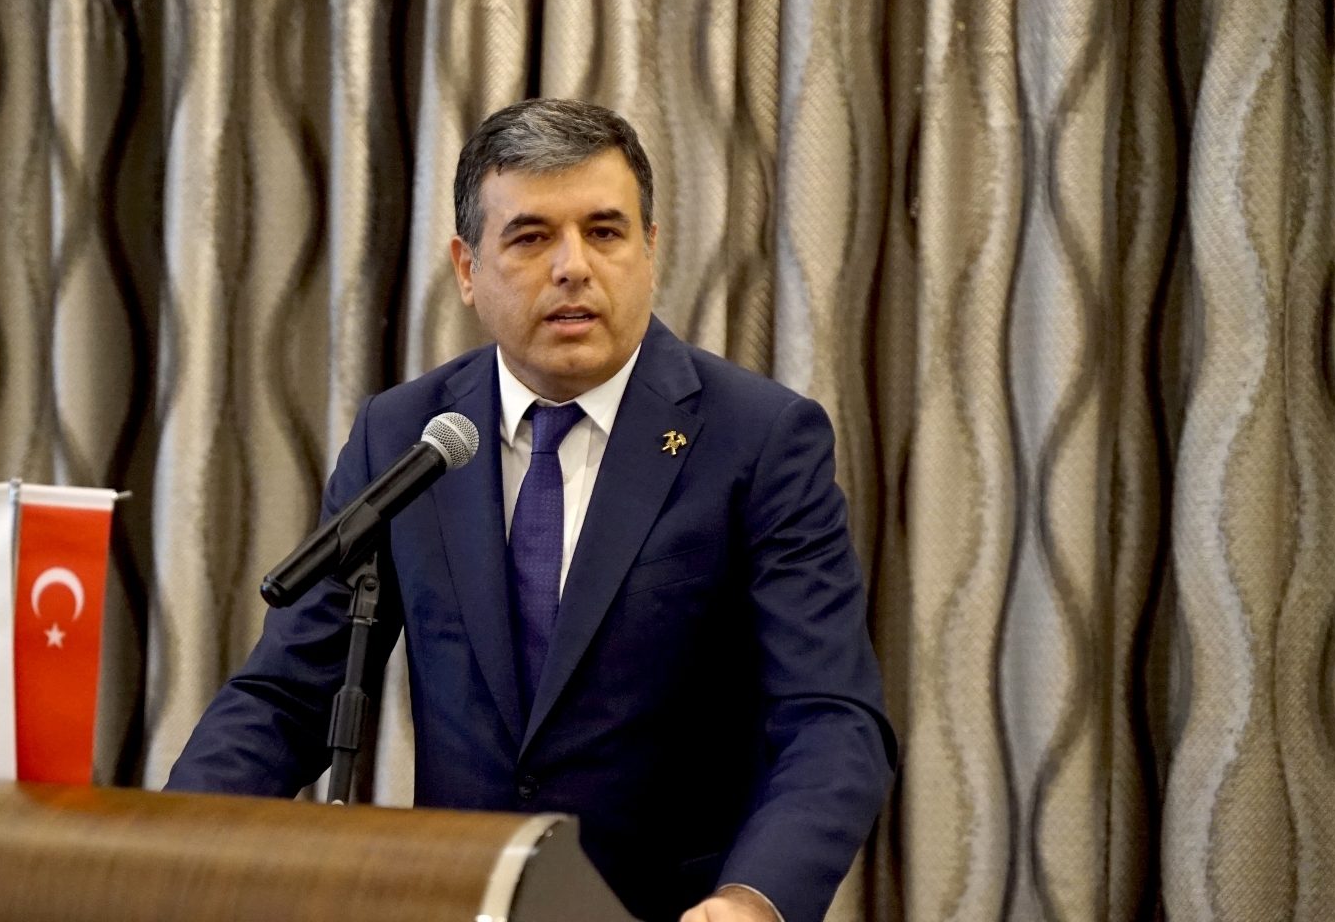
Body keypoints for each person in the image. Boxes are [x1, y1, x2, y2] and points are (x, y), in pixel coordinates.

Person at [167, 98, 896, 922]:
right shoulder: (408, 437)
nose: (573, 267)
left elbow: (831, 717)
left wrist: (753, 900)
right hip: (457, 902)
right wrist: (174, 849)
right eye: (531, 236)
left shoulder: (758, 440)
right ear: (468, 268)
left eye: (606, 232)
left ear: (651, 251)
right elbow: (291, 695)